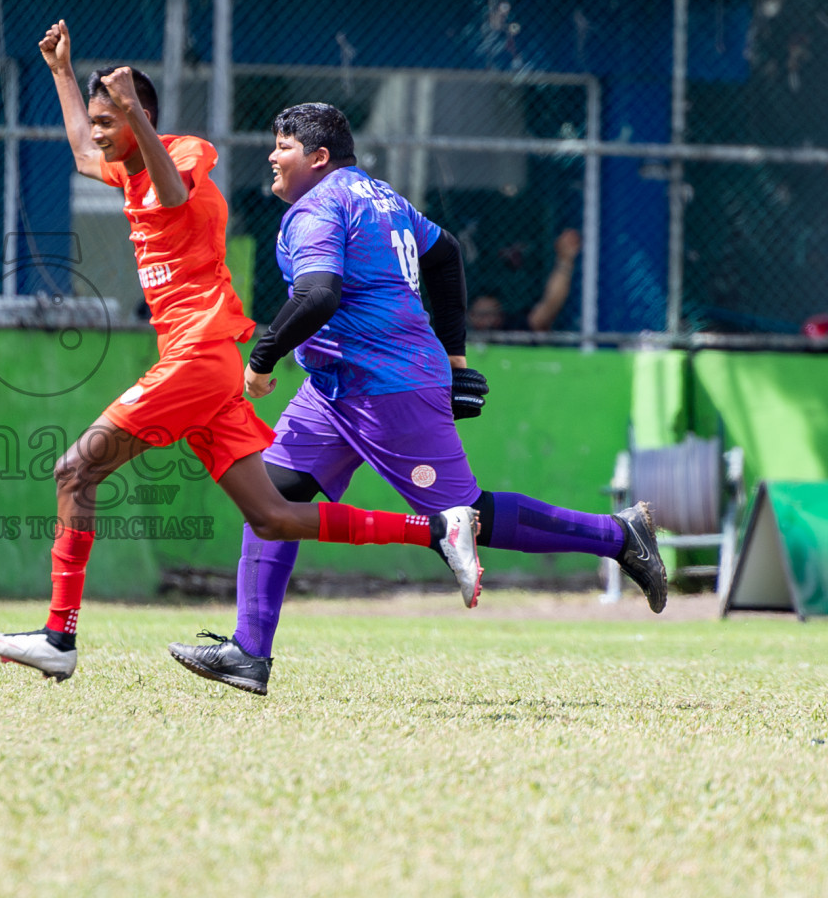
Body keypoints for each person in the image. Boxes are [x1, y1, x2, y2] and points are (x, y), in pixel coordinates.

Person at [0, 22, 481, 684]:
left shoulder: (177, 160)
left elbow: (175, 193)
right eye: (98, 122)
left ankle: (59, 637)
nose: (97, 134)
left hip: (196, 356)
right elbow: (76, 151)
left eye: (110, 121)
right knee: (271, 515)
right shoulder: (129, 168)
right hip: (208, 367)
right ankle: (437, 531)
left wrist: (131, 114)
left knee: (75, 472)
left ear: (141, 118)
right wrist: (61, 73)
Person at [166, 103, 667, 696]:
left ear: (319, 157)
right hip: (335, 387)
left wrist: (262, 356)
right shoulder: (381, 196)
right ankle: (249, 652)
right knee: (273, 498)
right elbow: (446, 251)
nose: (272, 156)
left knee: (467, 516)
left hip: (385, 386)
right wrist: (455, 357)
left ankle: (618, 535)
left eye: (284, 146)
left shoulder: (320, 205)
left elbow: (319, 294)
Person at [467, 228, 582, 332]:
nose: (488, 322)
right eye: (481, 316)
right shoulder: (457, 338)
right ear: (470, 316)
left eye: (492, 315)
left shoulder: (514, 330)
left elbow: (549, 307)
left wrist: (565, 260)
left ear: (501, 316)